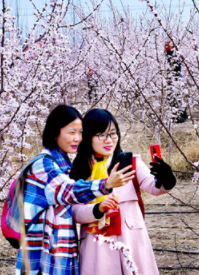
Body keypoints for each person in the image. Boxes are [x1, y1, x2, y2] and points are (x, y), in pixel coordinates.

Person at [17, 105, 136, 275]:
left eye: (81, 133)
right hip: (45, 252)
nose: (78, 138)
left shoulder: (64, 164)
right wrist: (105, 184)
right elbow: (69, 191)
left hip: (64, 248)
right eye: (72, 132)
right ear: (54, 133)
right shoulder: (44, 165)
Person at [71, 110, 176, 275]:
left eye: (113, 134)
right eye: (101, 134)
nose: (109, 140)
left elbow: (153, 187)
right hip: (96, 243)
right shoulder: (80, 169)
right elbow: (74, 211)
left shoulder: (131, 162)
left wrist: (167, 178)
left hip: (131, 239)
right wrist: (97, 209)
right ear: (88, 136)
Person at [164, 42, 187, 123]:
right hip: (170, 79)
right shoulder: (167, 55)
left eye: (167, 45)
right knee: (171, 98)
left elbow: (176, 67)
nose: (166, 47)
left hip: (175, 79)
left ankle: (181, 117)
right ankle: (174, 117)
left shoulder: (174, 55)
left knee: (176, 97)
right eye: (165, 46)